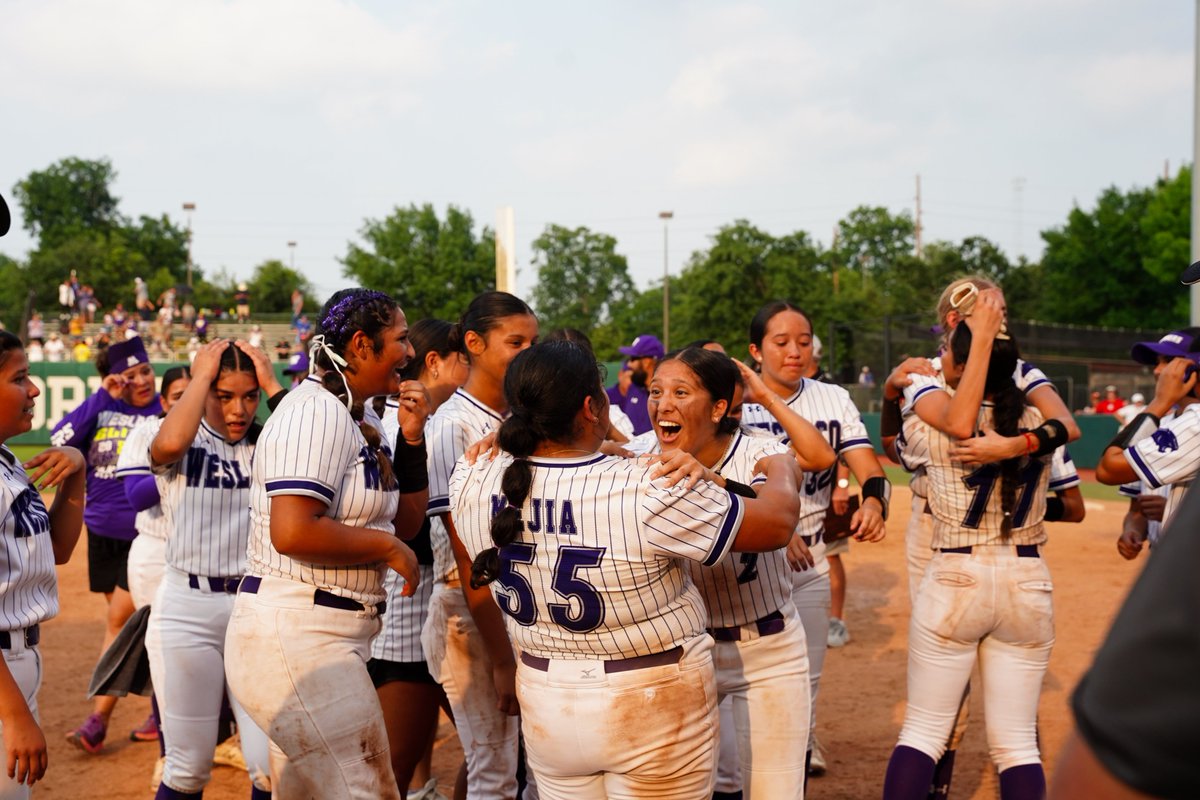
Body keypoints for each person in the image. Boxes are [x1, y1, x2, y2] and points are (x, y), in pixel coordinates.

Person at [450, 339, 802, 799]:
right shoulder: (646, 486)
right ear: (591, 408)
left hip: (546, 697)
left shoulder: (472, 474)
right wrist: (778, 466)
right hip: (650, 699)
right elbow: (777, 523)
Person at [879, 275, 1081, 797]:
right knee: (1017, 744)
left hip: (955, 569)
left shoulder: (928, 414)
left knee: (922, 731)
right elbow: (1064, 432)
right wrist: (1017, 445)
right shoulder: (1035, 416)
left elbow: (924, 432)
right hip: (1026, 573)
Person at [225, 288, 424, 798]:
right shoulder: (313, 411)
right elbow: (293, 530)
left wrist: (414, 440)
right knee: (367, 790)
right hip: (294, 634)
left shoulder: (364, 415)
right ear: (361, 345)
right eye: (400, 339)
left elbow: (405, 523)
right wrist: (385, 550)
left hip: (327, 632)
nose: (409, 350)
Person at [630, 347, 835, 799]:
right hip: (682, 652)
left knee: (775, 792)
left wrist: (715, 482)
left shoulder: (762, 450)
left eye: (681, 392)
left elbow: (781, 500)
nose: (662, 404)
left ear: (720, 407)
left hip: (768, 648)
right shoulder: (636, 454)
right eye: (656, 391)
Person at [739, 300, 890, 778]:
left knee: (808, 672)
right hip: (747, 557)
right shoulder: (732, 400)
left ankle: (800, 745)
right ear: (755, 350)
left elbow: (869, 468)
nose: (795, 351)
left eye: (803, 341)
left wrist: (873, 502)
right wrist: (777, 534)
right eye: (781, 342)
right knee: (742, 672)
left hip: (813, 555)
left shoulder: (832, 398)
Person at [144, 340, 279, 799]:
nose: (238, 409)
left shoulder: (270, 441)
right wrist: (200, 377)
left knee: (270, 769)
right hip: (187, 607)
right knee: (188, 767)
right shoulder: (185, 438)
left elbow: (311, 432)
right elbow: (168, 444)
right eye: (224, 396)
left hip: (253, 610)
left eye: (249, 395)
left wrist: (272, 382)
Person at [422, 291, 538, 800]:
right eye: (516, 342)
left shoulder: (523, 417)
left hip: (521, 605)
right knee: (495, 771)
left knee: (529, 768)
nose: (528, 352)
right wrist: (501, 657)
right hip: (471, 614)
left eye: (533, 341)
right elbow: (467, 557)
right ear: (474, 343)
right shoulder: (451, 424)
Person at [370, 319, 469, 800]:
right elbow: (417, 533)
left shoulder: (410, 418)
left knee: (481, 744)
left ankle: (420, 789)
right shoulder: (413, 424)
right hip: (406, 614)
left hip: (409, 606)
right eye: (462, 359)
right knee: (389, 768)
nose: (469, 369)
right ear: (436, 362)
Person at [52, 336, 163, 752]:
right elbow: (59, 438)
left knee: (120, 623)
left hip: (144, 535)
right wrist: (103, 396)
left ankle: (97, 720)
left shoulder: (162, 411)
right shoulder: (104, 406)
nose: (141, 381)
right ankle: (161, 703)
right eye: (129, 375)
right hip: (100, 533)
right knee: (141, 626)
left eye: (146, 370)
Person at [0, 330, 87, 796]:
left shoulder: (7, 460)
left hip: (19, 663)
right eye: (20, 378)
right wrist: (14, 716)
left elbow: (57, 551)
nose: (34, 390)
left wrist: (77, 471)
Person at [113, 365, 191, 750]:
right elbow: (137, 497)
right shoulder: (146, 431)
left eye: (194, 393)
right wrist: (175, 456)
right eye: (178, 396)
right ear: (164, 401)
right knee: (163, 656)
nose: (186, 403)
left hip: (200, 555)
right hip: (155, 556)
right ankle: (167, 749)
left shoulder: (219, 436)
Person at [1095, 328, 1200, 531]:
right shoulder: (1163, 424)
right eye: (1156, 362)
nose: (1158, 371)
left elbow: (1107, 470)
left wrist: (1159, 402)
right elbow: (1137, 509)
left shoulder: (1194, 422)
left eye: (1168, 361)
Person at [605, 334, 663, 435]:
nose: (629, 364)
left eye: (633, 358)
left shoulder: (666, 395)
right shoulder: (634, 388)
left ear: (646, 362)